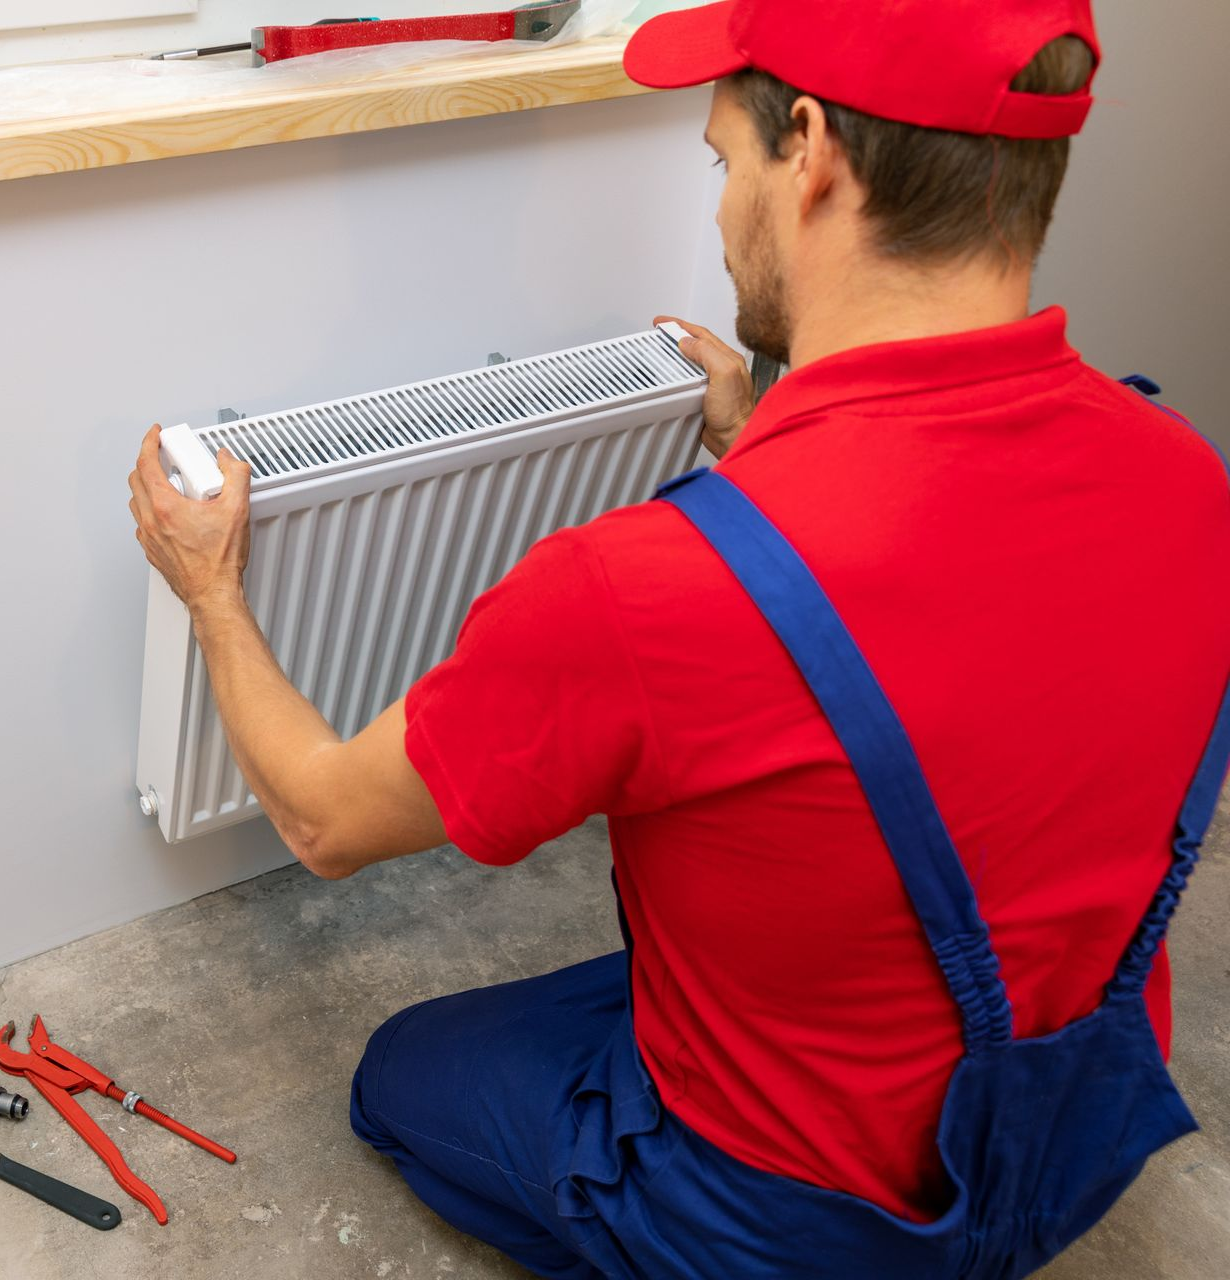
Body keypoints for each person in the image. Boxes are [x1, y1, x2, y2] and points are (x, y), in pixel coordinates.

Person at [126, 0, 1230, 1273]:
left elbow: (325, 818)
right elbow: (948, 611)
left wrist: (211, 590)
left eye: (722, 162)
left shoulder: (649, 588)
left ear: (810, 151)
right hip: (1064, 1144)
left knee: (402, 1074)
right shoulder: (1187, 482)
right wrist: (761, 438)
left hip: (780, 1222)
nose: (717, 215)